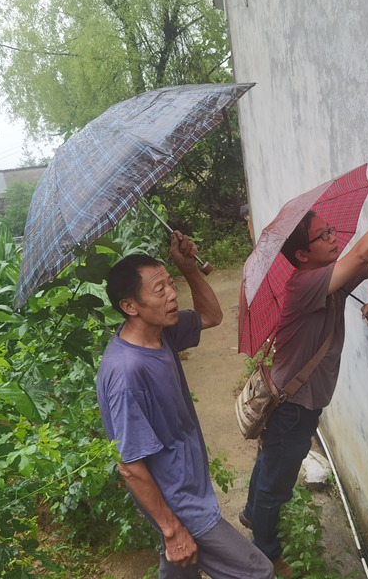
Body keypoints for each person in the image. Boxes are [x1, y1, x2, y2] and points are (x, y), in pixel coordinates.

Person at [240, 183, 368, 578]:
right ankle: (265, 555)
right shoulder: (305, 286)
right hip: (293, 406)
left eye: (330, 230)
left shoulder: (325, 275)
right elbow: (364, 253)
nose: (334, 237)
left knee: (270, 461)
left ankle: (252, 514)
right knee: (277, 484)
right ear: (303, 254)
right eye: (324, 236)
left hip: (298, 400)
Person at [97, 231, 274, 579]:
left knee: (182, 570)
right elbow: (130, 465)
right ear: (129, 306)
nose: (171, 294)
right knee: (258, 572)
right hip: (179, 500)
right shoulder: (126, 374)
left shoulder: (161, 333)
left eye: (170, 283)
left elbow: (211, 316)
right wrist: (172, 528)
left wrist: (189, 268)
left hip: (187, 484)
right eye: (158, 290)